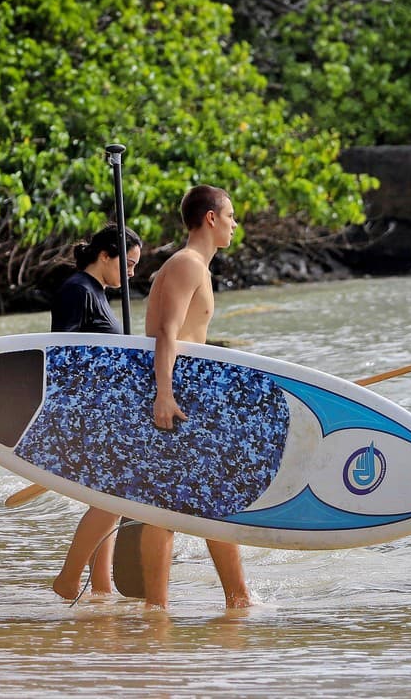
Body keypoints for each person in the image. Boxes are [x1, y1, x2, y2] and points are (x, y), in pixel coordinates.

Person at [141, 184, 252, 610]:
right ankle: (227, 601)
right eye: (230, 216)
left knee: (184, 501)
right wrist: (164, 395)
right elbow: (167, 334)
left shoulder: (197, 268)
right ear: (210, 218)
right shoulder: (187, 265)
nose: (234, 224)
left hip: (189, 394)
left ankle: (167, 606)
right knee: (186, 503)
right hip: (175, 395)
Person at [51, 223, 143, 600]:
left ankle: (101, 587)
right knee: (114, 498)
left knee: (107, 498)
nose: (133, 273)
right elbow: (62, 355)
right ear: (105, 255)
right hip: (89, 413)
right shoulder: (77, 291)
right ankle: (69, 578)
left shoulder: (97, 292)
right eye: (129, 264)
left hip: (107, 411)